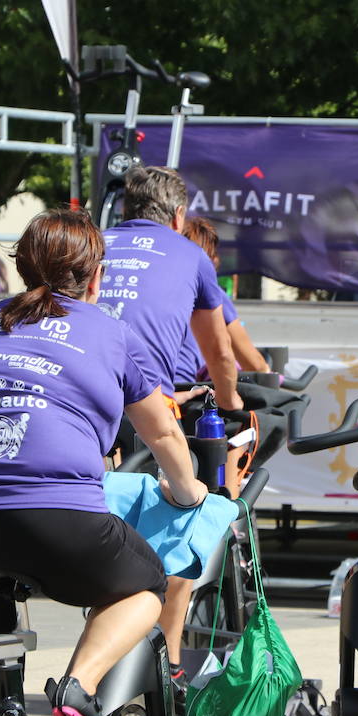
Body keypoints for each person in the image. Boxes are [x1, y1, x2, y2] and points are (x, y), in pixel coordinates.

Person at [0, 209, 206, 716]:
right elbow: (164, 431)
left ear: (22, 268)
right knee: (143, 583)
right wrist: (190, 490)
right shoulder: (108, 330)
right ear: (95, 277)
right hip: (52, 514)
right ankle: (79, 687)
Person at [101, 165, 242, 689]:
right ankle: (169, 664)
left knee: (104, 530)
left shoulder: (94, 243)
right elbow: (219, 350)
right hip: (147, 407)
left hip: (86, 402)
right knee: (179, 528)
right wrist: (228, 404)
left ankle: (107, 649)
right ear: (179, 216)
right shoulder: (191, 255)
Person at [177, 216, 269, 378]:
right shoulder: (211, 292)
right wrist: (268, 373)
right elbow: (253, 364)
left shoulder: (157, 286)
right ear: (209, 259)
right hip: (183, 389)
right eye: (214, 254)